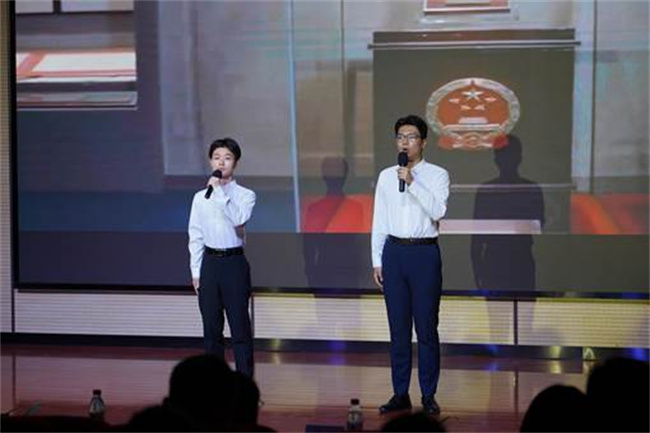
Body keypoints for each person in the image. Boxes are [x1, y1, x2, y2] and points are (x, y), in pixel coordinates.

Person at [371, 114, 450, 416]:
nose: (405, 142)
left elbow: (438, 211)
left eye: (412, 136)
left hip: (424, 254)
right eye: (401, 136)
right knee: (398, 329)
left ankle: (428, 394)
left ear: (424, 142)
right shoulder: (385, 176)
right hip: (394, 253)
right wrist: (377, 259)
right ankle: (400, 393)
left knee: (426, 328)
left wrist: (412, 183)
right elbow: (379, 220)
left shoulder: (437, 175)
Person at [188, 137, 256, 377]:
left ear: (235, 162)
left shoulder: (246, 195)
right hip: (210, 265)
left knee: (240, 329)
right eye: (217, 157)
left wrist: (218, 191)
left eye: (227, 158)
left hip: (233, 263)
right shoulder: (200, 198)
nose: (221, 162)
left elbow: (238, 219)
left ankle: (245, 384)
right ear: (210, 161)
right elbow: (195, 235)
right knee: (211, 330)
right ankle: (214, 384)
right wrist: (196, 271)